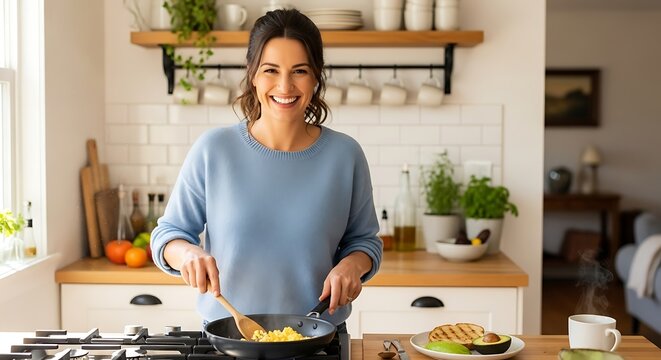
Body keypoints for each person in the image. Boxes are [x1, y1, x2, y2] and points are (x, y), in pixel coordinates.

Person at [151, 8, 382, 329]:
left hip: (317, 334)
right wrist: (187, 254)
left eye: (299, 71)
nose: (285, 86)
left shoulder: (345, 155)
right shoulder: (214, 150)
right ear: (253, 74)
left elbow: (365, 242)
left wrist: (352, 267)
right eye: (271, 70)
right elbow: (167, 235)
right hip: (228, 336)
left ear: (317, 75)